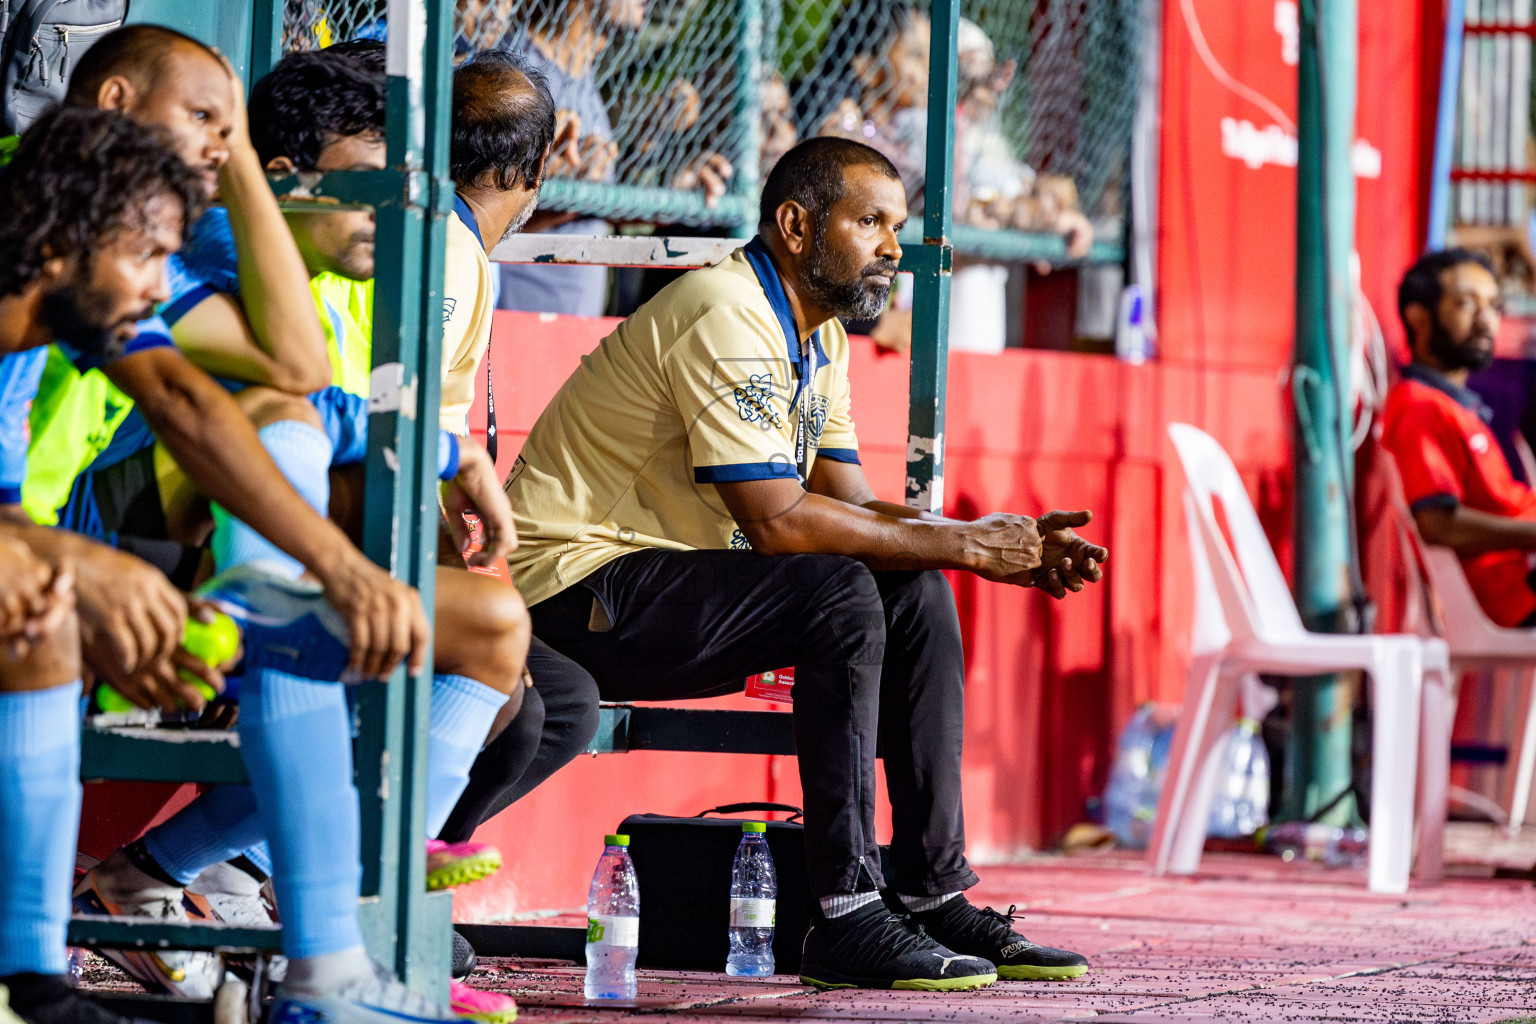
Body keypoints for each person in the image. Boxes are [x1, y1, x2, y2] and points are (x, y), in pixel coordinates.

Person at [504, 137, 1103, 990]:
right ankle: (847, 915)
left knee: (913, 589)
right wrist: (971, 544)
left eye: (896, 227)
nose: (892, 247)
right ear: (795, 225)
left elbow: (853, 507)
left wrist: (993, 540)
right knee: (836, 592)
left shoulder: (820, 339)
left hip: (666, 584)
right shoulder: (725, 310)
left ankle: (932, 892)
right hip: (575, 589)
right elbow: (780, 524)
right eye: (870, 223)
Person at [52, 39, 528, 1020]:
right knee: (361, 596)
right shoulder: (149, 231)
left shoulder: (263, 259)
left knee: (490, 629)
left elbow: (300, 395)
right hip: (98, 553)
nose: (390, 207)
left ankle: (334, 921)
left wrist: (448, 457)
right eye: (204, 123)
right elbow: (258, 400)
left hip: (147, 557)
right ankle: (322, 932)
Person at [0, 105, 208, 1024]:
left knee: (38, 610)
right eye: (148, 256)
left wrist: (85, 576)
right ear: (61, 243)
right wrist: (90, 566)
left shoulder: (26, 345)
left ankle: (33, 981)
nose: (161, 291)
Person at [490, 0, 734, 316]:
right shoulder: (516, 70)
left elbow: (597, 214)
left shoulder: (585, 77)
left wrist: (671, 192)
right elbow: (484, 217)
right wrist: (565, 194)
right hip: (516, 318)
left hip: (575, 321)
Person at [1381, 248, 1536, 628]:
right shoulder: (1420, 407)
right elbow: (1438, 524)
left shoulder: (1452, 406)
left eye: (1493, 306)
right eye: (1467, 304)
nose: (1486, 321)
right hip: (1513, 600)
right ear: (1418, 317)